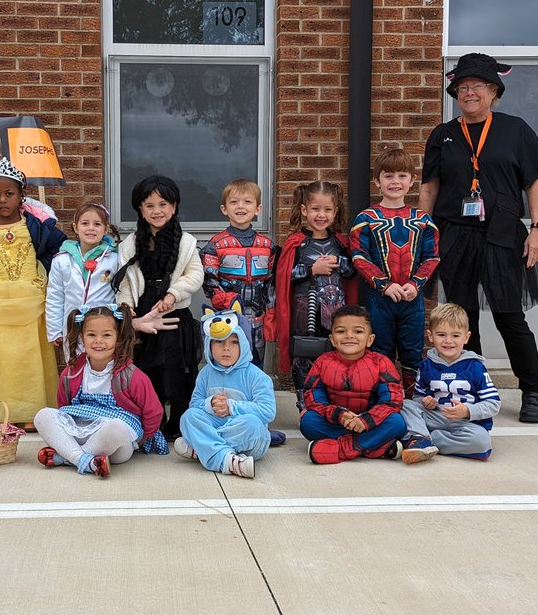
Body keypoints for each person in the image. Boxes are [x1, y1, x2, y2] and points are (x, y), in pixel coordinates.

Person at [420, 52, 538, 424]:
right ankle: (472, 388)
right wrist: (423, 232)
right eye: (463, 87)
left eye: (477, 86)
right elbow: (429, 188)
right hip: (454, 236)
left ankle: (532, 390)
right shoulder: (443, 134)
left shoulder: (516, 130)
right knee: (463, 320)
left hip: (502, 236)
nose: (469, 93)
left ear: (493, 90)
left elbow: (534, 183)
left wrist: (537, 230)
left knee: (510, 316)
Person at [0, 157, 65, 426]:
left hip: (30, 299)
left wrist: (44, 269)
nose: (2, 200)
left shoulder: (37, 224)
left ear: (21, 195)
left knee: (28, 357)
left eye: (9, 193)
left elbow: (59, 248)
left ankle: (33, 411)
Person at [112, 176, 204, 440]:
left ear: (174, 207)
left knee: (177, 372)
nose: (157, 211)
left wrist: (174, 295)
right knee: (145, 370)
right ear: (140, 209)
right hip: (143, 315)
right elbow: (126, 281)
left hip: (173, 316)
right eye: (149, 205)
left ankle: (178, 424)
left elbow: (195, 274)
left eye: (163, 204)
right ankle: (151, 423)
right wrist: (127, 307)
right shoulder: (130, 244)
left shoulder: (186, 242)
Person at [34, 304, 167, 478]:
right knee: (43, 415)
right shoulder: (72, 373)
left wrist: (140, 440)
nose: (98, 341)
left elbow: (154, 412)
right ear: (82, 337)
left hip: (114, 444)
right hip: (80, 431)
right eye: (91, 335)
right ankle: (85, 460)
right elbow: (63, 405)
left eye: (106, 335)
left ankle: (68, 457)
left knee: (116, 428)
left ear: (118, 337)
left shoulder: (132, 376)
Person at [349, 146, 440, 395]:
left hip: (413, 298)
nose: (395, 182)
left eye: (402, 176)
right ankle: (386, 401)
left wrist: (414, 284)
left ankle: (411, 401)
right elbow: (359, 256)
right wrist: (384, 285)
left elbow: (432, 257)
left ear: (412, 181)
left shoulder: (423, 220)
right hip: (379, 299)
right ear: (377, 181)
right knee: (380, 351)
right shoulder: (365, 219)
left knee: (412, 352)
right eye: (388, 176)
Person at [300, 304, 437, 465]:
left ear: (370, 339)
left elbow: (392, 401)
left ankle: (342, 448)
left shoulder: (381, 363)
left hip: (371, 423)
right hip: (337, 421)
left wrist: (365, 421)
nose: (349, 336)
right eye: (341, 331)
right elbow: (313, 398)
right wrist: (339, 414)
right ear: (332, 340)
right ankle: (375, 447)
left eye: (358, 331)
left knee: (397, 423)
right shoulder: (322, 362)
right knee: (308, 421)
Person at [267, 181, 356, 410]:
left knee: (336, 354)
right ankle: (305, 404)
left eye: (327, 210)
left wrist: (340, 262)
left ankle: (332, 402)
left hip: (336, 310)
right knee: (304, 356)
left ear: (335, 212)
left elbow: (352, 273)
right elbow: (284, 275)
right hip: (304, 309)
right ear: (305, 210)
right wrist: (310, 270)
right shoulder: (297, 244)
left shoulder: (340, 243)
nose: (321, 215)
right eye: (316, 209)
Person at [174, 306, 276, 479]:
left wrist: (231, 407)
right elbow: (195, 403)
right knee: (188, 417)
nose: (226, 348)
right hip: (216, 425)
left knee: (252, 423)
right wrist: (210, 403)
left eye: (233, 342)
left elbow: (267, 411)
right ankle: (230, 461)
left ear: (243, 344)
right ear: (209, 345)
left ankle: (202, 449)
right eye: (219, 342)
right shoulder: (206, 373)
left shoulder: (257, 376)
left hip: (244, 433)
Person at [402, 303, 501, 461]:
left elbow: (493, 404)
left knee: (482, 442)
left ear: (466, 337)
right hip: (435, 417)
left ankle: (429, 440)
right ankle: (421, 439)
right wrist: (426, 402)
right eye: (441, 335)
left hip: (465, 423)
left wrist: (468, 411)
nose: (448, 341)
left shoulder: (475, 367)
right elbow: (417, 398)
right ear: (430, 336)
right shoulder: (426, 365)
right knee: (406, 405)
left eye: (455, 335)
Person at [200, 179, 276, 367]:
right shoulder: (215, 245)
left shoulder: (268, 246)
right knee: (226, 360)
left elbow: (271, 282)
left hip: (258, 316)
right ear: (224, 209)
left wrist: (271, 312)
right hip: (227, 315)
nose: (240, 207)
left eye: (247, 202)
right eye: (234, 202)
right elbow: (209, 281)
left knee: (255, 362)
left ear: (258, 209)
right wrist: (226, 300)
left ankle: (254, 395)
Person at [46, 201, 120, 355]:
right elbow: (55, 297)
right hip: (72, 326)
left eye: (97, 224)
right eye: (85, 223)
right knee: (75, 368)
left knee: (103, 366)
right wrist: (54, 331)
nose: (91, 228)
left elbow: (119, 293)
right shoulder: (61, 260)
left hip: (103, 327)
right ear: (75, 227)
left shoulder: (114, 260)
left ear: (106, 229)